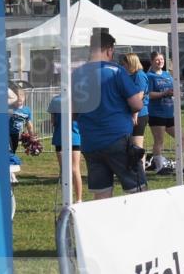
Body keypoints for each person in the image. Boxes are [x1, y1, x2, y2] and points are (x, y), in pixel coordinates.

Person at [71, 30, 146, 199]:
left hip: (90, 142)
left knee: (102, 195)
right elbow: (136, 104)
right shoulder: (116, 71)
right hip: (117, 138)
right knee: (138, 191)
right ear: (109, 49)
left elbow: (73, 111)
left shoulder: (77, 73)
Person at [48, 94, 83, 203]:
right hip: (75, 138)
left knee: (64, 170)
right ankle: (79, 199)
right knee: (75, 169)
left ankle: (66, 199)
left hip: (60, 137)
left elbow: (53, 122)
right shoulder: (80, 99)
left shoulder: (55, 100)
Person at [146, 51, 176, 175]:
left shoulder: (168, 75)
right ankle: (159, 167)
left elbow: (173, 90)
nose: (160, 62)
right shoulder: (150, 76)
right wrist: (164, 93)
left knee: (182, 138)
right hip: (156, 113)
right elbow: (149, 94)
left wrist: (175, 92)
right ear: (152, 61)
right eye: (157, 60)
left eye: (162, 59)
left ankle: (174, 163)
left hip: (169, 113)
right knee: (159, 141)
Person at [120, 53, 149, 153]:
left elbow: (139, 96)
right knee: (131, 145)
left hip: (139, 114)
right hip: (131, 113)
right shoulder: (130, 76)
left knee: (137, 146)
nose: (123, 66)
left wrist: (134, 114)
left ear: (131, 63)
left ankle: (140, 168)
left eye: (125, 64)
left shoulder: (139, 75)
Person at [8, 89, 33, 153]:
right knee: (9, 151)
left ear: (24, 97)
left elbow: (29, 124)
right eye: (17, 95)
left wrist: (31, 135)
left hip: (15, 134)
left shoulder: (27, 110)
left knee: (13, 150)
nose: (19, 97)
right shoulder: (9, 108)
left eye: (21, 95)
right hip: (7, 133)